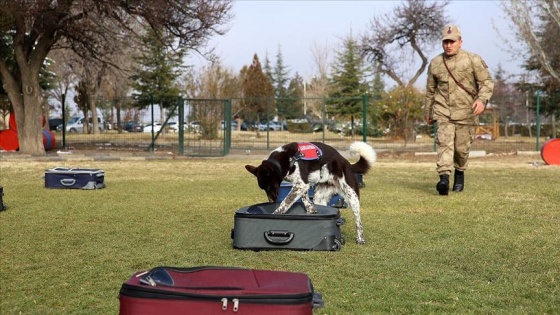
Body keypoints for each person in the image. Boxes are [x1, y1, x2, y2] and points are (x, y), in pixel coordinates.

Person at [424, 24, 494, 195]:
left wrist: (482, 100)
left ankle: (460, 173)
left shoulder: (473, 59)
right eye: (445, 42)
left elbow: (487, 82)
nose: (448, 45)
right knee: (444, 145)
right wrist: (428, 112)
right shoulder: (435, 63)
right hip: (443, 111)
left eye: (452, 41)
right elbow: (430, 91)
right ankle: (444, 179)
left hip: (467, 112)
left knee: (461, 150)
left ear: (460, 42)